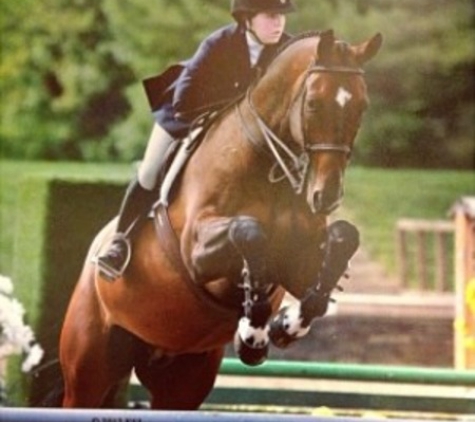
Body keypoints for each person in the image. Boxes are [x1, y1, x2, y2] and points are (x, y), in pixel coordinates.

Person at [97, 0, 296, 281]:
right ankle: (120, 242)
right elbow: (185, 98)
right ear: (247, 18)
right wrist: (228, 117)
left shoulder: (286, 49)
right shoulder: (220, 43)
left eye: (282, 17)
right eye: (270, 16)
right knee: (150, 171)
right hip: (184, 115)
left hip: (245, 136)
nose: (278, 24)